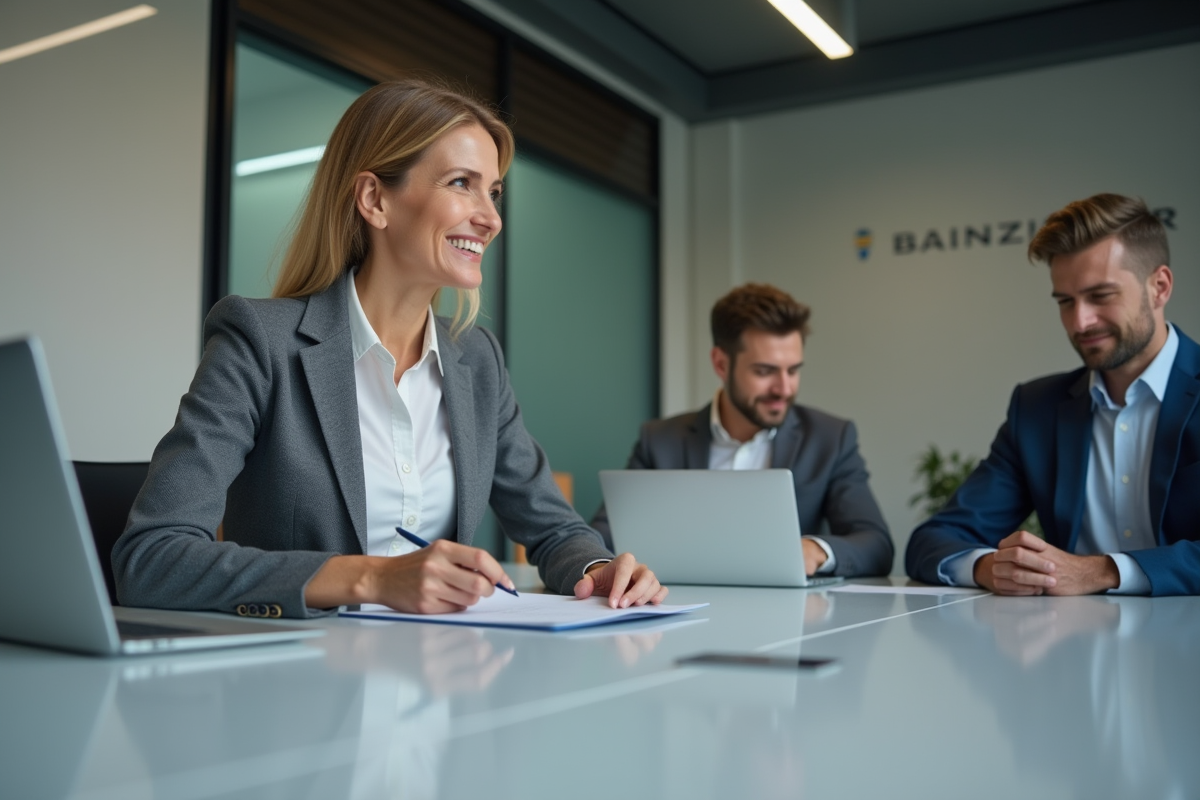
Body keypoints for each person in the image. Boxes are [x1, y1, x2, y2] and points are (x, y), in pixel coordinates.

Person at [113, 80, 665, 618]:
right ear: (375, 199)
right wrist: (372, 578)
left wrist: (599, 567)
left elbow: (554, 528)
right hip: (302, 683)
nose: (491, 218)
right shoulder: (261, 341)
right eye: (460, 183)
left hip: (446, 676)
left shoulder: (476, 360)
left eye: (493, 192)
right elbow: (150, 557)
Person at [906, 193, 1199, 596]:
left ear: (1159, 287)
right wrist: (990, 567)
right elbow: (936, 539)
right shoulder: (1037, 409)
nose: (1080, 321)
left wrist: (1102, 572)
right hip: (1069, 646)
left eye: (1100, 296)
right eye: (1065, 301)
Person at [591, 283, 893, 577]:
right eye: (765, 371)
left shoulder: (830, 439)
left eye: (793, 370)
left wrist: (815, 550)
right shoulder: (659, 441)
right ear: (721, 364)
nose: (784, 388)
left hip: (795, 621)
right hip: (677, 610)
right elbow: (601, 539)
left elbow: (875, 544)